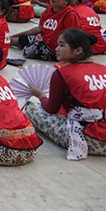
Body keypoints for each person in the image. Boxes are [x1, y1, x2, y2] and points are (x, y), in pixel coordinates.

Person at [24, 29, 106, 160]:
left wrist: (40, 95)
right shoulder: (103, 69)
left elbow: (51, 109)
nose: (56, 49)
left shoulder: (62, 73)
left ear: (78, 51)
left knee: (31, 107)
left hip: (91, 140)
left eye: (62, 45)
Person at [12, 0, 81, 61]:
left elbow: (73, 37)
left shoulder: (70, 14)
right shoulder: (49, 9)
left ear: (66, 1)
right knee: (13, 40)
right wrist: (17, 35)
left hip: (55, 49)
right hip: (43, 40)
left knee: (27, 51)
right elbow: (39, 28)